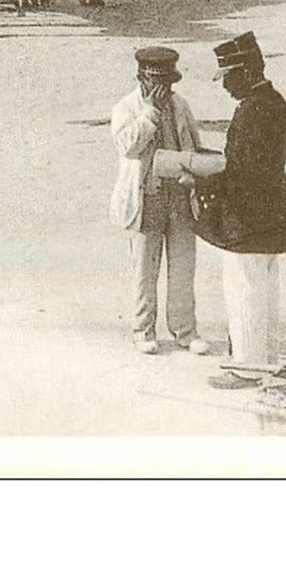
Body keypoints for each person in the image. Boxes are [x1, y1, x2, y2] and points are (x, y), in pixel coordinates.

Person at [203, 32, 286, 390]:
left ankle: (246, 367)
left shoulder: (253, 110)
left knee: (244, 290)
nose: (225, 85)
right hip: (273, 211)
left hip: (249, 217)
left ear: (244, 71)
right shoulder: (273, 101)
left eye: (227, 76)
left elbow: (244, 171)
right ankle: (266, 361)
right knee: (265, 291)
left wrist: (200, 178)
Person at [109, 46, 211, 357]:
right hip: (147, 196)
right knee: (144, 269)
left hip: (179, 195)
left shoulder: (181, 105)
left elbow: (193, 143)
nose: (162, 91)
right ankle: (143, 330)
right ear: (141, 79)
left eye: (167, 84)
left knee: (183, 268)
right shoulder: (126, 108)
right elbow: (128, 147)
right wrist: (150, 112)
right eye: (155, 84)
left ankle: (185, 330)